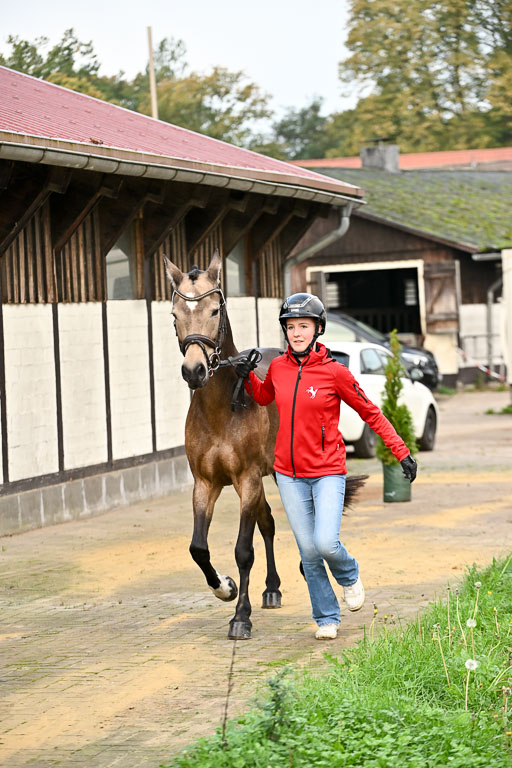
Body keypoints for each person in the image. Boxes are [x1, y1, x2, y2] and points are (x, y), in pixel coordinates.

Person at [235, 293, 417, 641]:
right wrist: (247, 378)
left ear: (318, 329)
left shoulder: (335, 373)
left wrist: (401, 451)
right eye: (290, 327)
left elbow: (370, 413)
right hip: (287, 475)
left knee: (325, 543)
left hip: (327, 471)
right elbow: (263, 397)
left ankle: (349, 575)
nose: (296, 333)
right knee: (308, 552)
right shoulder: (278, 368)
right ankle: (326, 617)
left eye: (303, 326)